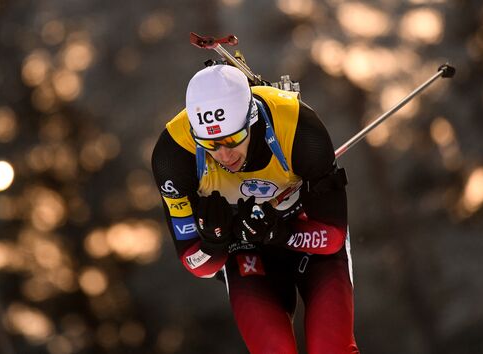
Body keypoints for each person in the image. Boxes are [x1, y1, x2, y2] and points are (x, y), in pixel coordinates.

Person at [151, 64, 359, 354]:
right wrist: (214, 241)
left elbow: (332, 237)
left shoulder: (299, 127)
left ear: (251, 120)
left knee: (331, 349)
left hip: (306, 232)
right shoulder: (173, 155)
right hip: (244, 248)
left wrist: (282, 233)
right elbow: (196, 264)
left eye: (232, 139)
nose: (224, 155)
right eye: (209, 144)